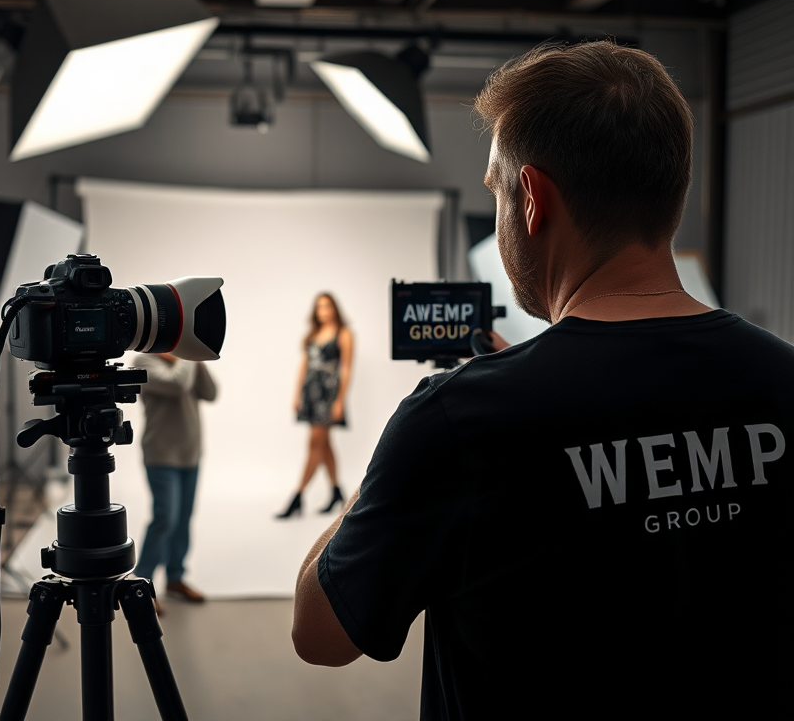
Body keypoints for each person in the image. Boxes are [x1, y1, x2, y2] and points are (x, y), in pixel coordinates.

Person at [292, 41, 794, 719]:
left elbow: (320, 633)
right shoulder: (782, 376)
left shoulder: (461, 421)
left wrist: (392, 466)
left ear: (532, 199)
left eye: (497, 192)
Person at [131, 352, 217, 605]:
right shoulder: (144, 362)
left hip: (190, 454)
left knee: (182, 520)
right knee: (164, 519)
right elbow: (176, 385)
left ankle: (175, 578)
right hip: (161, 454)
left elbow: (210, 393)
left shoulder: (182, 364)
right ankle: (142, 583)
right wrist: (191, 354)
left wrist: (192, 361)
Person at [277, 293, 354, 518]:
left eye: (327, 306)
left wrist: (340, 399)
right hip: (310, 392)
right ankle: (337, 491)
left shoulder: (344, 333)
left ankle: (297, 496)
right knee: (325, 444)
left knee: (315, 443)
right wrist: (297, 394)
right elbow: (305, 364)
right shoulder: (313, 334)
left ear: (334, 309)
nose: (324, 311)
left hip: (328, 393)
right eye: (320, 307)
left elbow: (346, 367)